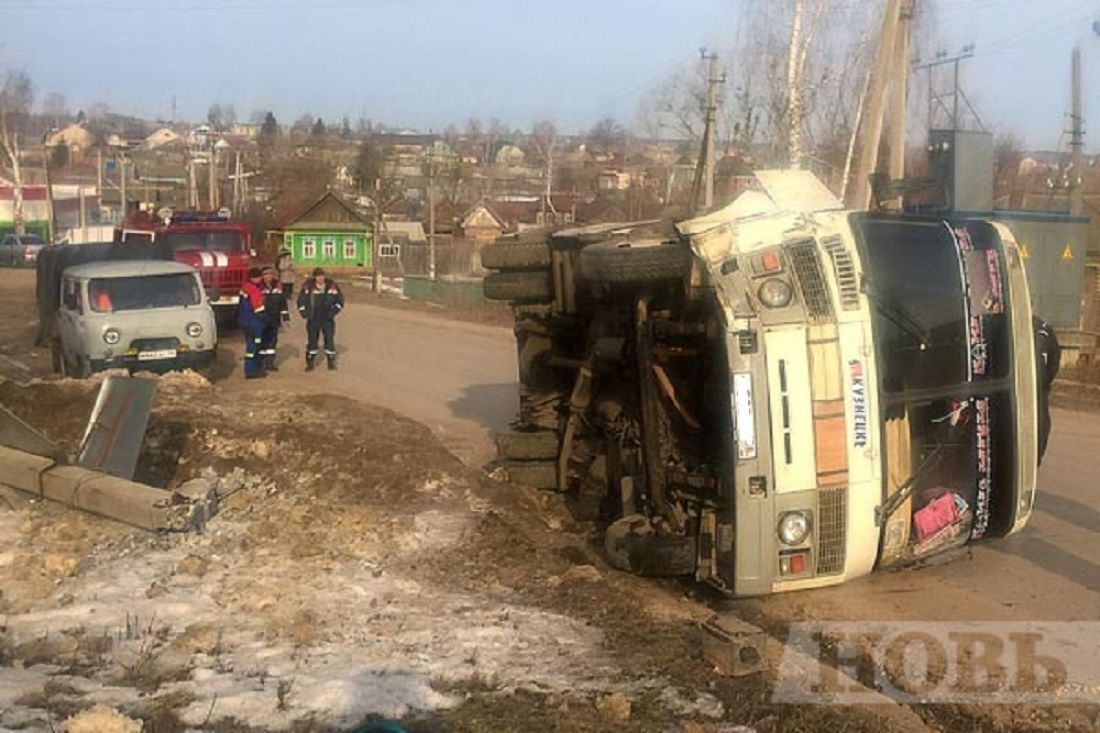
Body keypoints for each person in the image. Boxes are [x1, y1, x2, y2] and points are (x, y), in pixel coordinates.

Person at [297, 267, 344, 371]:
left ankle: (331, 362)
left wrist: (333, 312)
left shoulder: (332, 286)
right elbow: (301, 301)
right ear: (314, 277)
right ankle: (310, 363)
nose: (320, 279)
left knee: (329, 339)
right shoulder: (308, 286)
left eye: (322, 276)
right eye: (318, 276)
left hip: (328, 319)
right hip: (313, 318)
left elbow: (340, 301)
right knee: (312, 340)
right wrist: (305, 313)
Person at [1033, 315, 1061, 465]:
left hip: (1037, 390)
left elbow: (1054, 359)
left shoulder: (1043, 329)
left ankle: (1035, 458)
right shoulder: (1006, 326)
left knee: (1040, 424)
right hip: (1010, 389)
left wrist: (1043, 382)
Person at [238, 267, 268, 379]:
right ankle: (252, 371)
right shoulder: (254, 290)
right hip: (254, 322)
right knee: (254, 346)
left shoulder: (244, 288)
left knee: (250, 345)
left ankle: (251, 369)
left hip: (244, 321)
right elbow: (258, 308)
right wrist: (266, 319)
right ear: (257, 278)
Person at [259, 266, 289, 372]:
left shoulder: (278, 286)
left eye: (270, 274)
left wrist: (285, 317)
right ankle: (261, 364)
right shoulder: (258, 286)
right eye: (266, 274)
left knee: (272, 342)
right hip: (262, 319)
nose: (269, 276)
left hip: (274, 319)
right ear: (262, 276)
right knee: (262, 342)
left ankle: (270, 363)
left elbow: (283, 302)